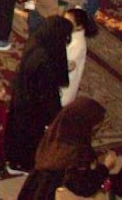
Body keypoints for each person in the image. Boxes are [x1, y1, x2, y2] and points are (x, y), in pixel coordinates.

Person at [5, 16, 72, 174]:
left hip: (22, 93)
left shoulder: (37, 40)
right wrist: (54, 114)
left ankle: (14, 160)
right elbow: (47, 91)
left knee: (17, 128)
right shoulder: (45, 59)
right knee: (29, 134)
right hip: (32, 103)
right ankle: (21, 164)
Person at [17, 97, 119, 200]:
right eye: (95, 124)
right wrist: (105, 167)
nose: (97, 129)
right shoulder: (76, 152)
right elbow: (84, 187)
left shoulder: (53, 137)